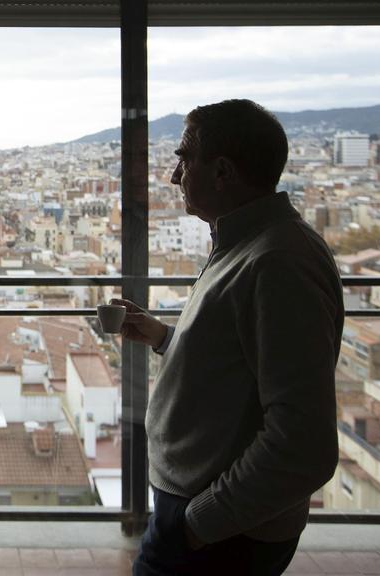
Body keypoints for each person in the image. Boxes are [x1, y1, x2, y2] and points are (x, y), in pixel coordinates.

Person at [114, 99, 345, 576]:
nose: (175, 176)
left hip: (222, 531)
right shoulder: (248, 243)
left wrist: (199, 523)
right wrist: (164, 338)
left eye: (184, 159)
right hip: (212, 518)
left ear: (221, 171)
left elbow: (303, 442)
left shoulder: (277, 263)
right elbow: (238, 359)